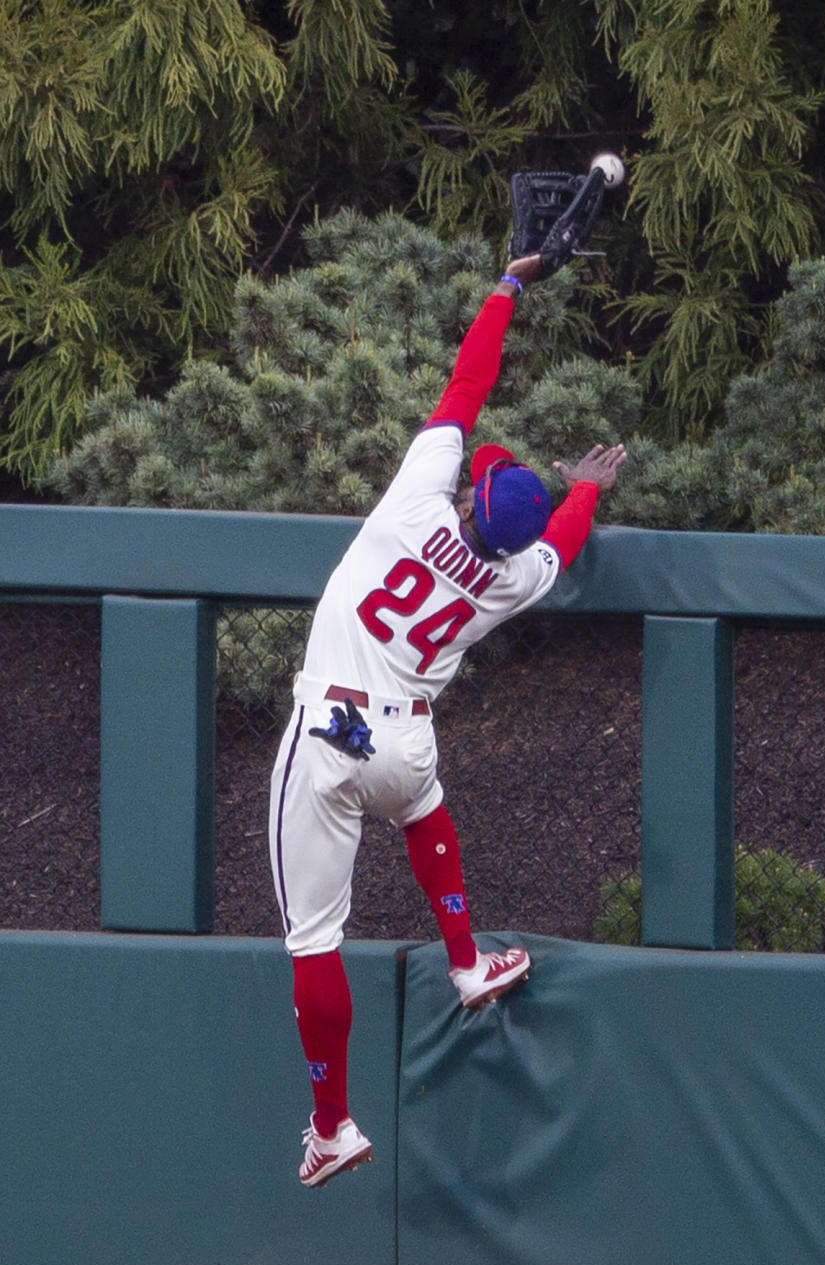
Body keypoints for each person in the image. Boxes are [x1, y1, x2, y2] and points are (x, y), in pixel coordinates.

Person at [269, 250, 627, 1188]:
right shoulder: (510, 581)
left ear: (473, 497)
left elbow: (468, 386)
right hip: (405, 737)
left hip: (329, 731)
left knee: (314, 939)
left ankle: (333, 1124)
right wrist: (585, 484)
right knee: (424, 809)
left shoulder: (416, 500)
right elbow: (560, 541)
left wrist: (506, 287)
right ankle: (467, 961)